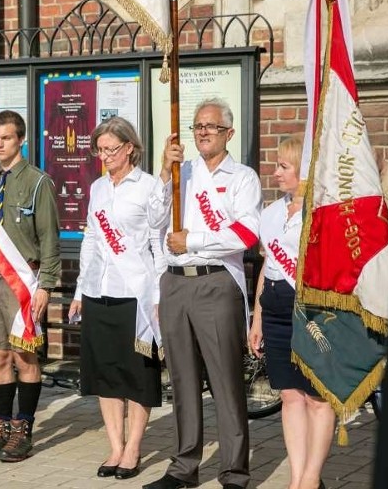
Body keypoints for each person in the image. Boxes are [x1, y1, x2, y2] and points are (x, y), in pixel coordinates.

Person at [144, 98, 262, 489]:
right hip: (176, 282)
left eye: (211, 126)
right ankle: (184, 465)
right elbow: (155, 220)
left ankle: (234, 470)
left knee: (225, 378)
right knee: (182, 378)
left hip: (216, 282)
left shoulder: (243, 177)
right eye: (197, 126)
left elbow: (246, 234)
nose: (203, 132)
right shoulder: (183, 172)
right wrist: (164, 171)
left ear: (229, 132)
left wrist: (193, 240)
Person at [68, 117, 165, 481]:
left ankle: (134, 446)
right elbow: (92, 239)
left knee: (136, 375)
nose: (105, 156)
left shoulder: (149, 186)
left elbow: (157, 243)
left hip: (135, 295)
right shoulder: (97, 188)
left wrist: (156, 295)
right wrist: (80, 289)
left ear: (130, 148)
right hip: (99, 291)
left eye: (111, 149)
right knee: (106, 374)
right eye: (100, 150)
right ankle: (114, 445)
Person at [0, 110, 61, 463]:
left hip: (24, 281)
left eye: (5, 138)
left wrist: (46, 286)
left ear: (21, 139)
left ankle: (23, 429)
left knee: (25, 357)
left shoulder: (38, 182)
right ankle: (1, 425)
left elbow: (50, 239)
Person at [248, 135, 333, 489]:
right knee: (289, 394)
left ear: (303, 170)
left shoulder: (323, 213)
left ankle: (312, 478)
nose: (275, 172)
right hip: (276, 311)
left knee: (316, 397)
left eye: (283, 166)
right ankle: (296, 476)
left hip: (313, 315)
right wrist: (257, 317)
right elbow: (268, 266)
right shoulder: (269, 214)